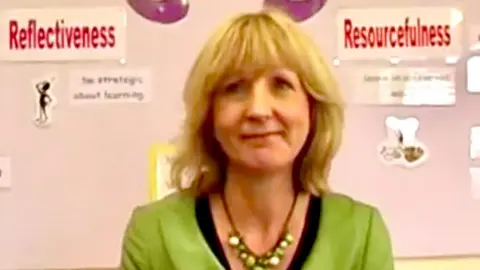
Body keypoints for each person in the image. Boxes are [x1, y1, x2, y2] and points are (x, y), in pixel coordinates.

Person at [121, 8, 394, 270]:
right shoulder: (153, 235)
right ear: (209, 115)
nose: (258, 110)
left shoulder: (361, 234)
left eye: (281, 85)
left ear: (312, 109)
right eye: (234, 88)